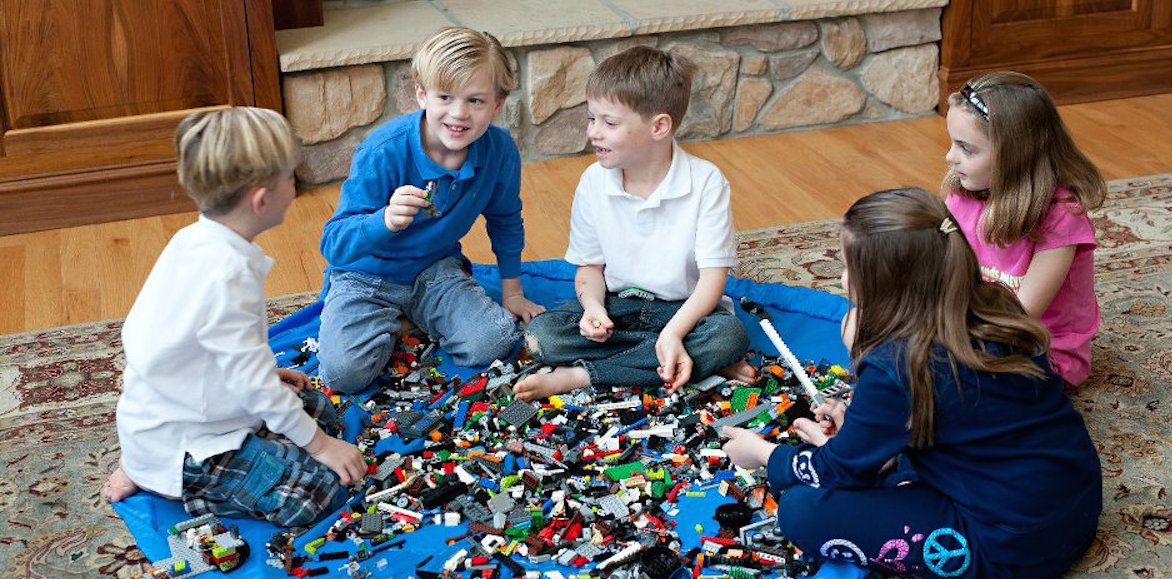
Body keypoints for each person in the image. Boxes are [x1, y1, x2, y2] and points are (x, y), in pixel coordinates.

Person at [722, 188, 1101, 579]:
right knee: (879, 462)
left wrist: (764, 454)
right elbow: (960, 415)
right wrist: (857, 433)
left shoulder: (898, 364)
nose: (842, 278)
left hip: (1010, 545)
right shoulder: (995, 305)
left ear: (884, 288)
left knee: (800, 511)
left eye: (851, 269)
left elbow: (835, 471)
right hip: (1074, 502)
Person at [104, 107, 368, 527]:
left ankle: (153, 462)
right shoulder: (228, 278)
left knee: (318, 408)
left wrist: (268, 373)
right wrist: (321, 448)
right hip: (188, 445)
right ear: (262, 199)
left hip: (177, 407)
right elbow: (255, 388)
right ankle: (174, 484)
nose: (294, 184)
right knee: (321, 491)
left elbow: (187, 344)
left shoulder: (193, 237)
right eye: (290, 177)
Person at [514, 46, 753, 401]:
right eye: (591, 118)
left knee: (728, 336)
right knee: (541, 336)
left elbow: (712, 282)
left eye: (609, 123)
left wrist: (674, 333)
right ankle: (694, 361)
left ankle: (583, 375)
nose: (594, 132)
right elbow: (590, 269)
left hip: (685, 311)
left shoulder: (706, 182)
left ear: (659, 126)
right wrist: (593, 308)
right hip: (617, 306)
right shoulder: (593, 182)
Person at [318, 27, 543, 394]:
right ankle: (395, 319)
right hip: (365, 274)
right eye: (445, 97)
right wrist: (384, 221)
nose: (459, 114)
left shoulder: (499, 152)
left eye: (475, 101)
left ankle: (410, 316)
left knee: (495, 341)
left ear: (498, 104)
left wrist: (513, 292)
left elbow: (505, 221)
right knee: (344, 374)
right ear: (422, 95)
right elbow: (333, 245)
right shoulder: (382, 151)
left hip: (434, 268)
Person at [944, 71, 1105, 387]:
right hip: (972, 327)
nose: (950, 156)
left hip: (1040, 350)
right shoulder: (963, 194)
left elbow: (1022, 316)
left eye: (966, 148)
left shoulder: (1061, 217)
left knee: (946, 381)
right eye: (951, 142)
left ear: (1014, 154)